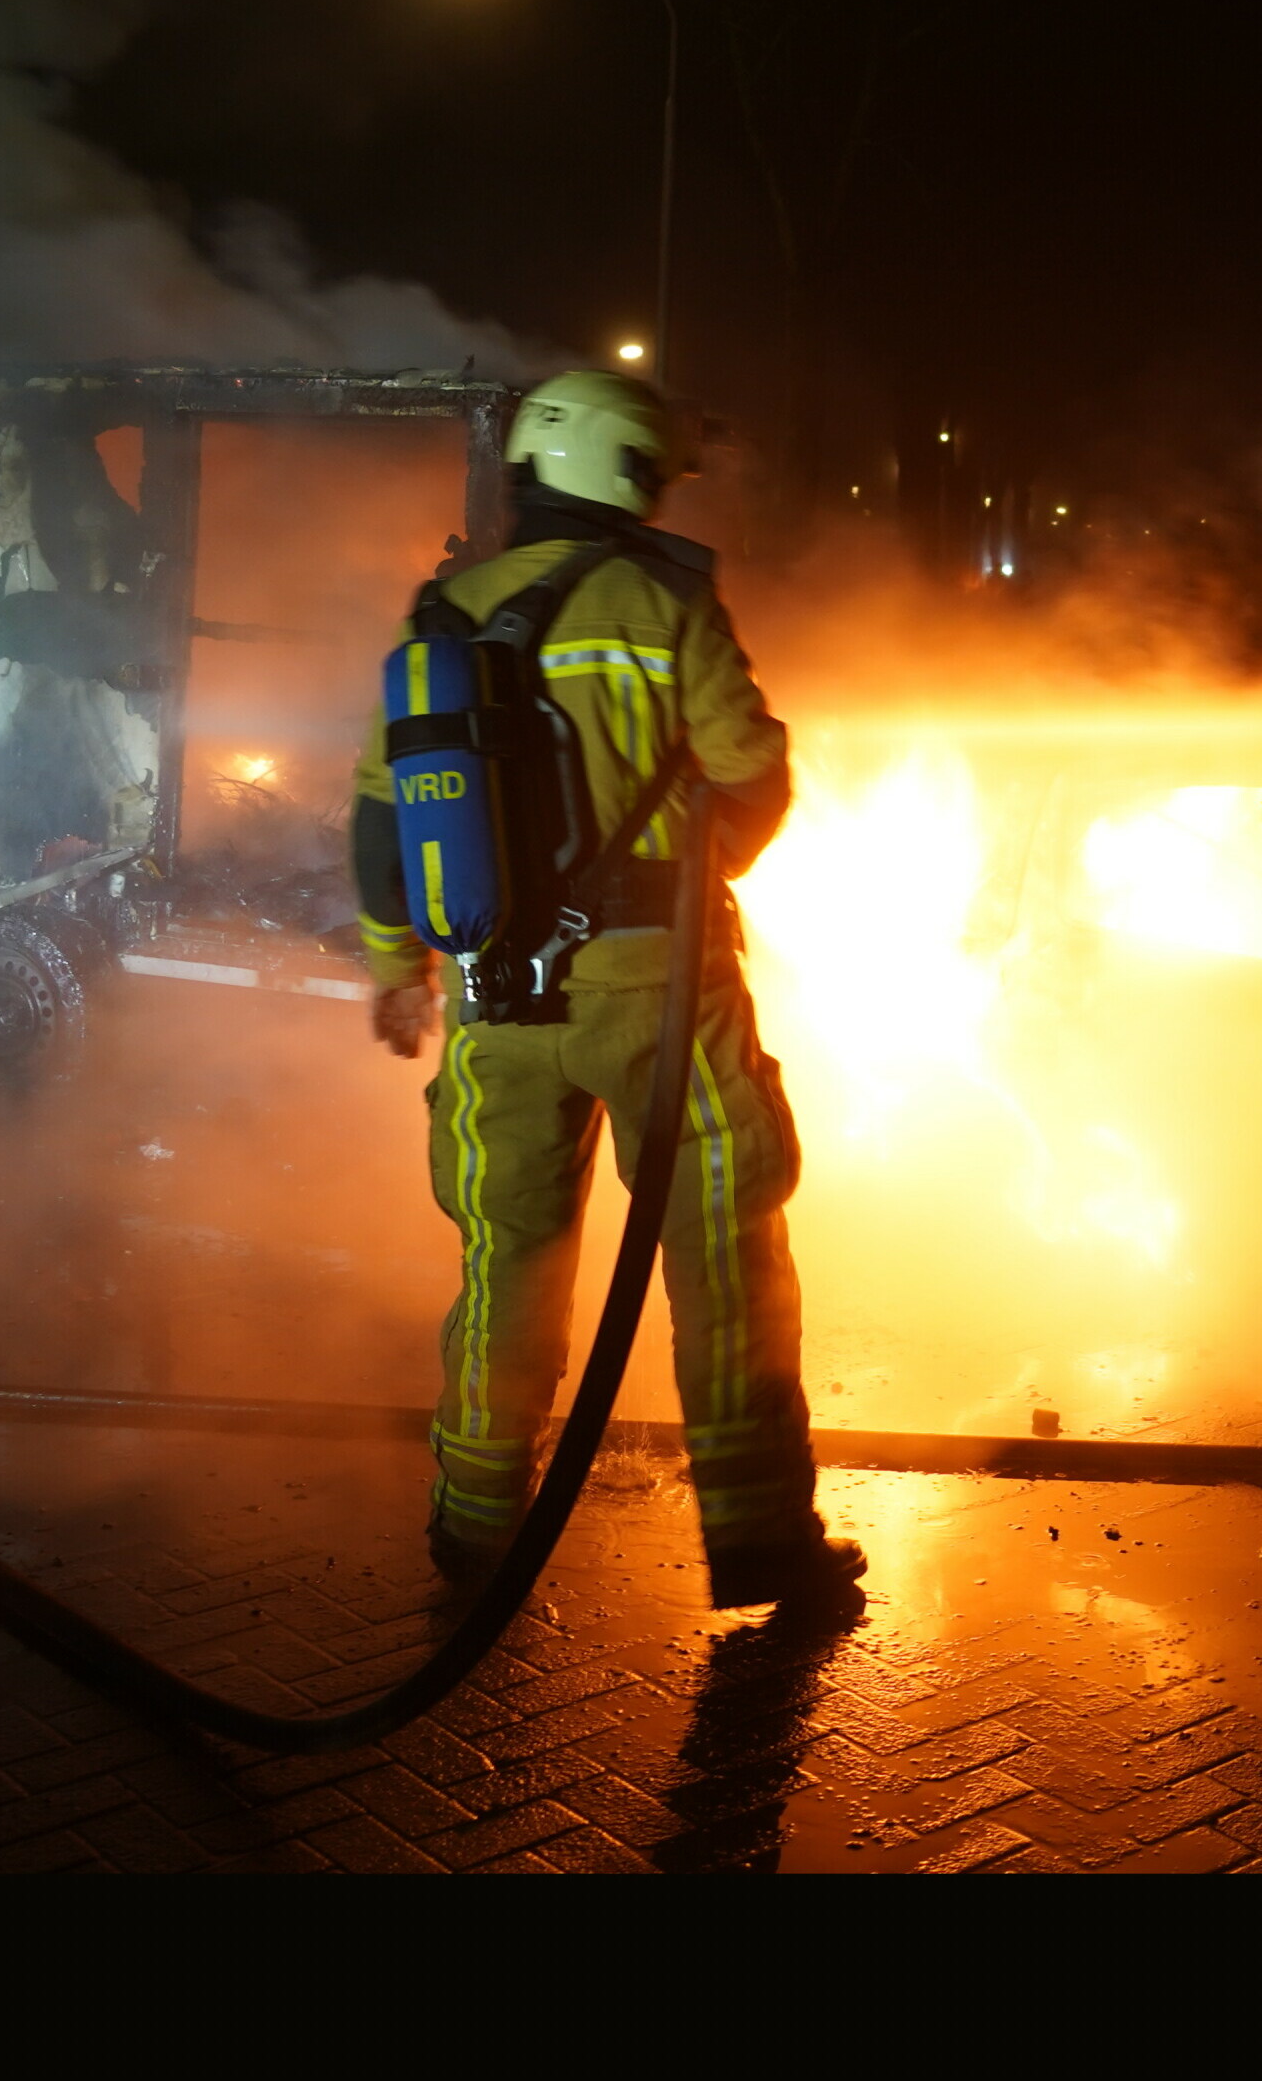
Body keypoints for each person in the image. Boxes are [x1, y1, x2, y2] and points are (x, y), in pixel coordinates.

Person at [351, 368, 861, 1609]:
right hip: (658, 999)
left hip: (495, 1008)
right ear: (631, 476)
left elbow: (378, 827)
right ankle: (756, 1539)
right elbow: (750, 773)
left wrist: (395, 974)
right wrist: (691, 868)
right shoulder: (657, 598)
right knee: (723, 1250)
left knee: (505, 1260)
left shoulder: (440, 617)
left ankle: (473, 1534)